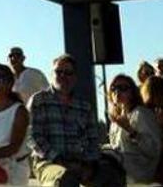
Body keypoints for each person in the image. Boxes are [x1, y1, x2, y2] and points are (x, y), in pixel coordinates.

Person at [28, 54, 125, 187]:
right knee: (66, 179)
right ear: (52, 74)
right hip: (48, 162)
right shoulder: (39, 100)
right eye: (58, 72)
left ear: (74, 78)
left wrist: (88, 164)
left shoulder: (84, 107)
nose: (63, 76)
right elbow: (33, 137)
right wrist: (58, 159)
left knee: (111, 174)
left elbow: (93, 140)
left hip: (81, 162)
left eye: (68, 73)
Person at [105, 74, 161, 184]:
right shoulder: (116, 120)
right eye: (113, 88)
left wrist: (130, 130)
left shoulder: (141, 113)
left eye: (123, 88)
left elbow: (154, 150)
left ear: (132, 93)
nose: (117, 92)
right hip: (120, 174)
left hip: (138, 175)